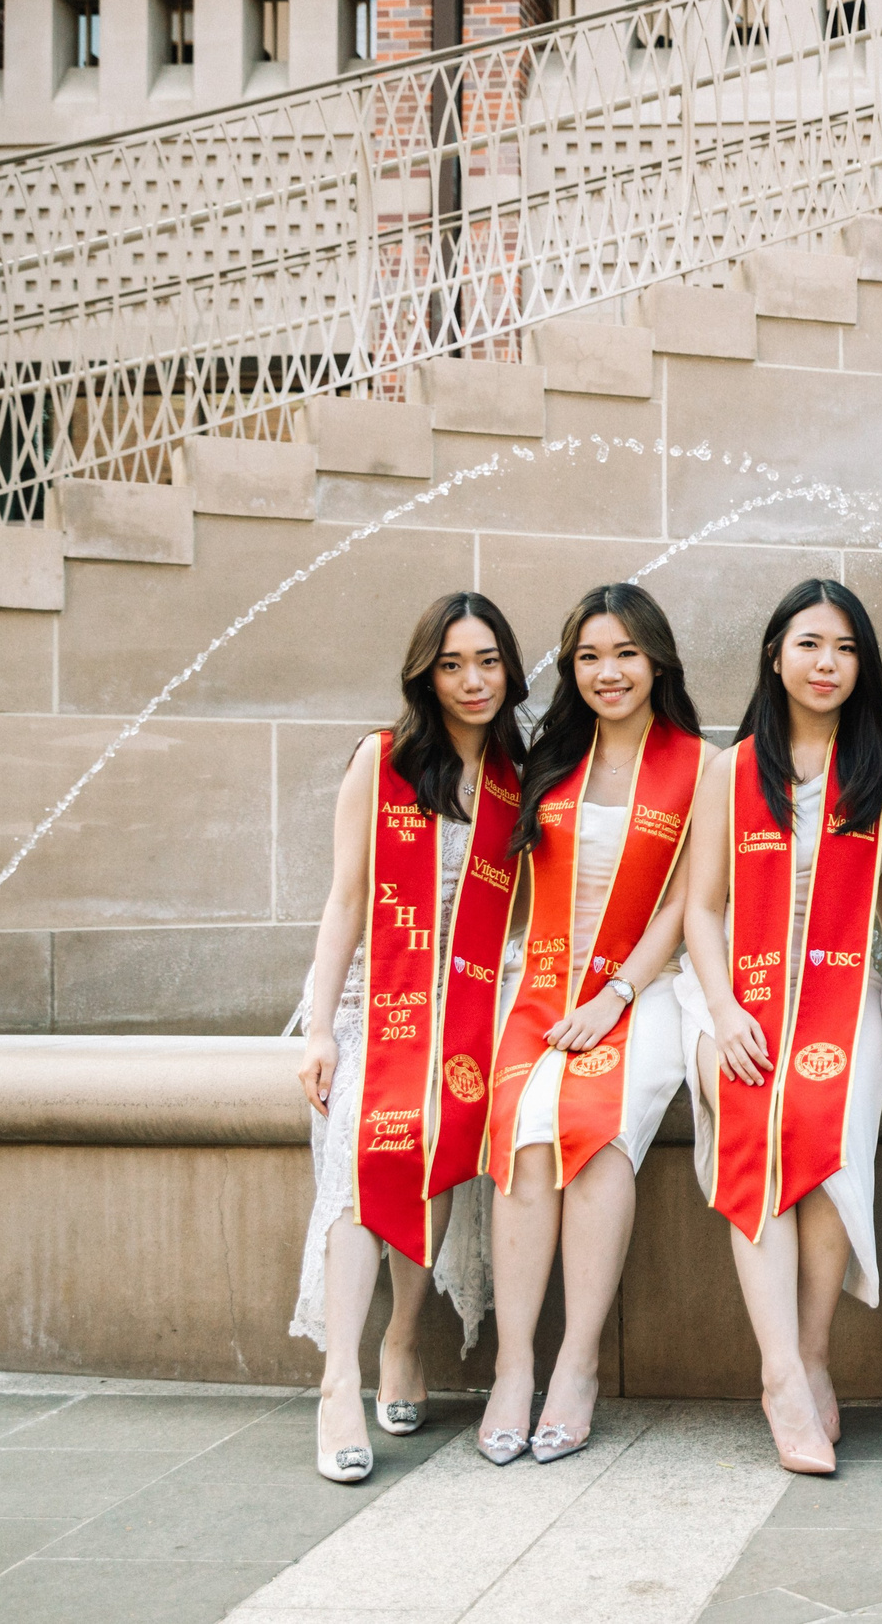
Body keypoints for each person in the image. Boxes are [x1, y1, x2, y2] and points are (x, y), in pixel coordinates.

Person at [293, 593, 525, 1483]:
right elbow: (346, 899)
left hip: (471, 1000)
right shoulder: (382, 762)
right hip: (376, 997)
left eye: (488, 662)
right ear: (425, 673)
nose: (473, 681)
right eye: (453, 664)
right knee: (364, 1149)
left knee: (437, 1144)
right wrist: (318, 1029)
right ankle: (336, 1382)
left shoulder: (515, 774)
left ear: (509, 668)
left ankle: (401, 1336)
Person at [480, 583, 709, 1466]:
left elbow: (690, 902)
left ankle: (575, 1368)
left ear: (657, 659)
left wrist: (616, 992)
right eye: (588, 657)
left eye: (624, 654)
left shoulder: (697, 765)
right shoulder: (552, 757)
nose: (607, 672)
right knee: (530, 1131)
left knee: (599, 1127)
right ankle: (511, 1368)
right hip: (545, 982)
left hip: (641, 988)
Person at [680, 578, 882, 1475]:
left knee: (830, 1123)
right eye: (810, 644)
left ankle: (813, 1349)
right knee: (755, 1114)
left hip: (848, 989)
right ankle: (779, 1374)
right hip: (740, 985)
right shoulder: (729, 771)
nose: (827, 663)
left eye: (845, 648)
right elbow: (700, 909)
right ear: (776, 654)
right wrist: (726, 1011)